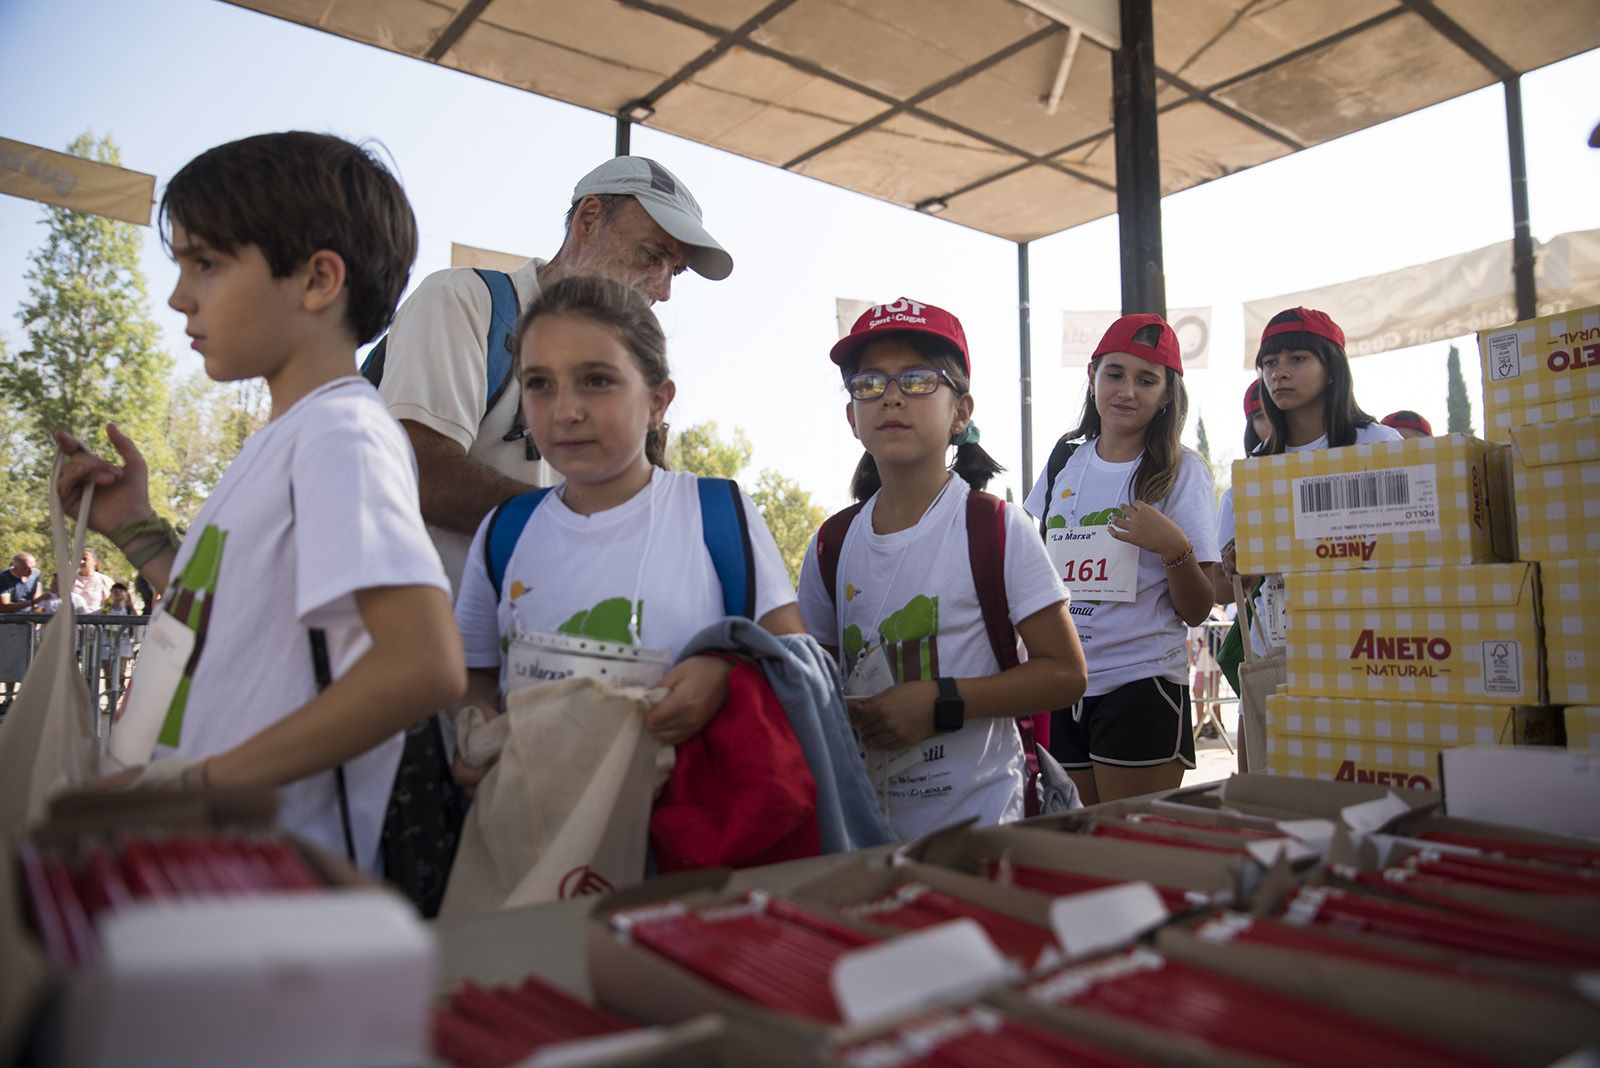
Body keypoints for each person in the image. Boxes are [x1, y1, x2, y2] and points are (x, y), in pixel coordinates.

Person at [55, 131, 465, 870]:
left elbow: (423, 663)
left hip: (263, 879)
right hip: (207, 867)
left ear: (316, 281)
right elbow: (234, 621)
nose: (180, 295)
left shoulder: (342, 432)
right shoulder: (288, 437)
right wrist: (139, 533)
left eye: (205, 263)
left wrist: (198, 788)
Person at [451, 275, 802, 788]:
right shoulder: (505, 531)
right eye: (539, 383)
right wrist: (477, 730)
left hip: (687, 848)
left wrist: (727, 672)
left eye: (596, 380)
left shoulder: (714, 514)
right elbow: (474, 674)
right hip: (533, 836)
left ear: (658, 401)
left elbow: (795, 657)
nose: (566, 411)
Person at [797, 299, 1086, 840]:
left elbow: (1067, 674)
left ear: (961, 412)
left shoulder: (997, 527)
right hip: (865, 832)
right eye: (869, 383)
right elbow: (814, 686)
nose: (892, 396)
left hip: (984, 825)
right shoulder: (830, 544)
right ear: (851, 417)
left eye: (918, 379)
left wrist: (940, 701)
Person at [377, 156, 733, 592]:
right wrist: (587, 524)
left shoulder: (630, 371)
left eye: (674, 271)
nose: (662, 289)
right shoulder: (465, 301)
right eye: (652, 255)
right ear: (588, 218)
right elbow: (416, 470)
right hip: (420, 640)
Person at [1023, 314, 1219, 803]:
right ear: (1092, 378)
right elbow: (1034, 566)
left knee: (1126, 838)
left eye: (1146, 380)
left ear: (1168, 395)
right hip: (1063, 684)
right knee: (1073, 839)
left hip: (1141, 682)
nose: (1127, 391)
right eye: (1115, 374)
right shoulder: (1063, 462)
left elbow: (1199, 608)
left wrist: (1174, 548)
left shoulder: (1183, 471)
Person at [1214, 307, 1399, 765]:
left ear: (1331, 367)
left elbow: (1412, 550)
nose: (1279, 373)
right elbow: (1224, 587)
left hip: (1369, 649)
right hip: (1277, 657)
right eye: (1269, 363)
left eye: (1297, 359)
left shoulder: (1380, 446)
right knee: (1274, 797)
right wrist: (1243, 566)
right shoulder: (1251, 473)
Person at [73, 548, 114, 613]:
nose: (81, 561)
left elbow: (110, 604)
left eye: (84, 559)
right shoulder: (70, 580)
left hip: (95, 620)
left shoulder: (104, 580)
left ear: (95, 562)